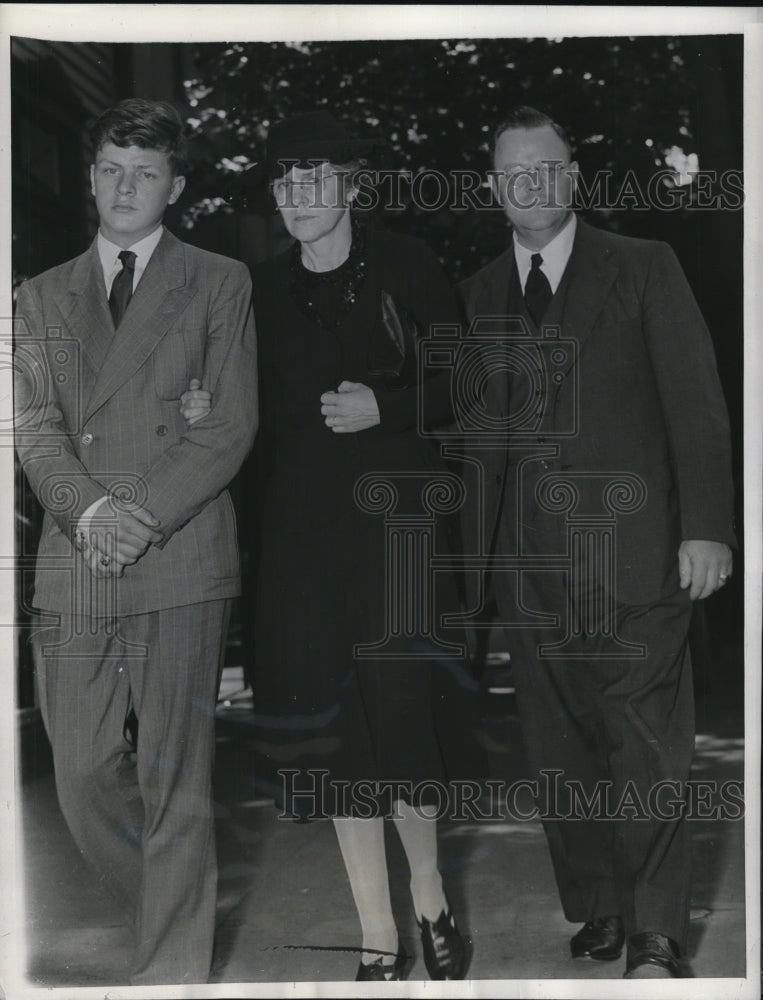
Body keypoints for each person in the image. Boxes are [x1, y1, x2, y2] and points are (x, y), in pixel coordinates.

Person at [457, 106, 735, 978]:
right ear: (493, 187)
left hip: (639, 557)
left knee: (645, 747)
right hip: (529, 574)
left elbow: (696, 403)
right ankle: (600, 908)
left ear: (571, 177)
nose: (530, 185)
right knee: (560, 752)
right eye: (513, 172)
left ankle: (655, 928)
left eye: (547, 168)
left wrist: (706, 529)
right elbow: (476, 444)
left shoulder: (644, 266)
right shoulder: (477, 295)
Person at [210, 110, 484, 982]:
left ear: (354, 188)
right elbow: (238, 413)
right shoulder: (255, 289)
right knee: (338, 743)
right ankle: (376, 931)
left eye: (316, 180)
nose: (298, 199)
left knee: (402, 721)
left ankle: (431, 899)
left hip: (398, 535)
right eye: (285, 185)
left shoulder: (408, 265)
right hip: (301, 548)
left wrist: (387, 408)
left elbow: (467, 381)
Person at [14, 98, 258, 985]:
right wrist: (90, 516)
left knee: (176, 785)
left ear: (175, 186)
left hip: (181, 554)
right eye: (112, 169)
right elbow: (34, 429)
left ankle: (172, 974)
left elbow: (227, 426)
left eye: (146, 173)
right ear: (90, 177)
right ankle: (172, 911)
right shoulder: (37, 296)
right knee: (78, 777)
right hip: (74, 560)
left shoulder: (219, 280)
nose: (126, 187)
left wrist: (139, 518)